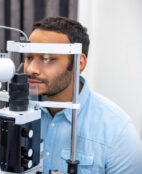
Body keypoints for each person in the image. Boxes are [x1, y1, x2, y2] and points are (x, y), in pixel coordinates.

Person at [24, 16, 142, 174]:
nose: (31, 69)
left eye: (47, 59)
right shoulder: (17, 115)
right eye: (29, 58)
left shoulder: (118, 133)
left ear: (79, 63)